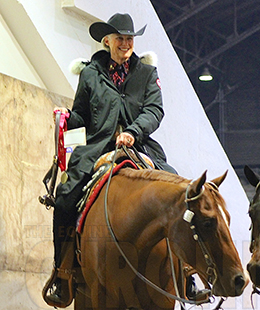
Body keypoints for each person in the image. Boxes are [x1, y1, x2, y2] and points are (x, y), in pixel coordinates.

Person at [45, 13, 182, 304]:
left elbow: (154, 110)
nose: (126, 43)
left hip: (140, 147)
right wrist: (68, 119)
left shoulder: (147, 73)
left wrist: (133, 131)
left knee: (180, 191)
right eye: (120, 38)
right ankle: (62, 271)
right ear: (107, 41)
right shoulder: (91, 74)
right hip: (98, 147)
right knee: (66, 196)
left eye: (130, 38)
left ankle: (186, 273)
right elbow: (82, 112)